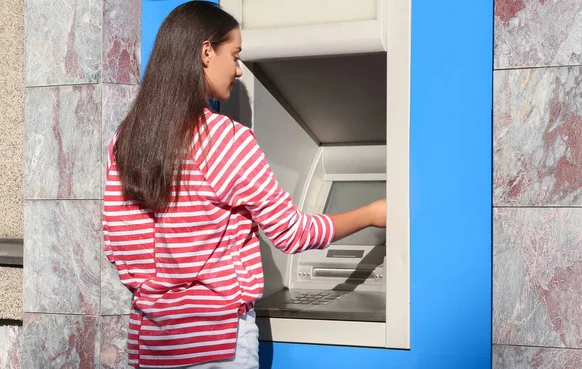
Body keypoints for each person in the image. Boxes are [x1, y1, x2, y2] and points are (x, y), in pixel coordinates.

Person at [102, 1, 387, 368]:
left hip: (153, 345)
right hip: (219, 346)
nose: (238, 69)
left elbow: (119, 246)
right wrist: (372, 213)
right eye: (234, 54)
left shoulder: (126, 140)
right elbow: (293, 234)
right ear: (207, 52)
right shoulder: (226, 140)